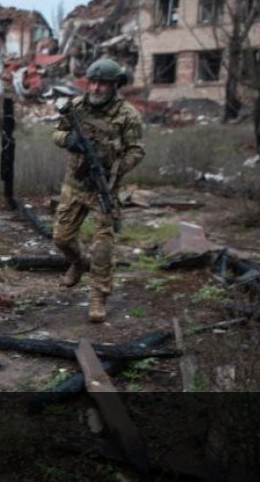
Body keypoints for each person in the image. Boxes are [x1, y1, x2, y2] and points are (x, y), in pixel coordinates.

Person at [51, 58, 145, 323]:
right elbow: (56, 133)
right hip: (74, 185)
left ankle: (97, 297)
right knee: (61, 238)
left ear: (114, 85)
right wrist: (68, 139)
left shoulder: (127, 115)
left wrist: (114, 169)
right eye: (92, 82)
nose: (95, 88)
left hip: (104, 188)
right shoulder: (77, 107)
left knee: (103, 246)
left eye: (102, 83)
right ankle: (78, 262)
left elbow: (137, 150)